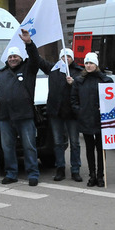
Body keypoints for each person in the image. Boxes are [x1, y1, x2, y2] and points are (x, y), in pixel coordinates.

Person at [0, 30, 51, 186]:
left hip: (24, 116)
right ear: (7, 59)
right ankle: (11, 173)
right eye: (10, 57)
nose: (12, 59)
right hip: (5, 118)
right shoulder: (0, 74)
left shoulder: (29, 69)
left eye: (15, 56)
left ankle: (33, 174)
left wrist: (28, 43)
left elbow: (35, 58)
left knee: (29, 146)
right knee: (7, 147)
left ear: (20, 58)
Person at [70, 52, 113, 187]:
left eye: (91, 63)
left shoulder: (106, 80)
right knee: (89, 149)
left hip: (101, 120)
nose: (88, 66)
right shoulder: (79, 80)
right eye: (87, 63)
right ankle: (92, 175)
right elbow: (73, 99)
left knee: (101, 149)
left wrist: (105, 108)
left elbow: (112, 99)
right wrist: (80, 111)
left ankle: (101, 175)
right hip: (86, 118)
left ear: (96, 64)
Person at [47, 47, 84, 182]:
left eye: (69, 56)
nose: (66, 59)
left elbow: (84, 87)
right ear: (60, 58)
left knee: (75, 142)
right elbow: (38, 61)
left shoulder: (79, 72)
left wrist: (74, 83)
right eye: (63, 56)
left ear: (72, 58)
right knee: (58, 142)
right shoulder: (53, 70)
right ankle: (60, 168)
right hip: (56, 112)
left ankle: (75, 170)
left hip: (72, 113)